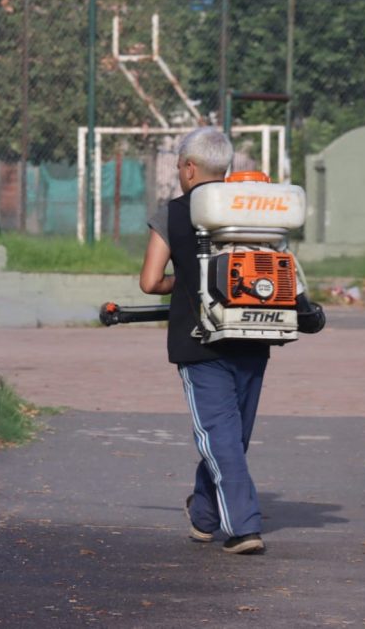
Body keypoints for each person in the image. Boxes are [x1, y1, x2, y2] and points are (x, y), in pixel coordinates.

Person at [139, 126, 268, 555]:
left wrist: (187, 282)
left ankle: (242, 527)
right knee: (231, 437)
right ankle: (204, 516)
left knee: (219, 438)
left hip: (201, 344)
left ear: (190, 168)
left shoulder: (173, 213)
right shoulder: (256, 209)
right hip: (253, 335)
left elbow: (150, 281)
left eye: (179, 167)